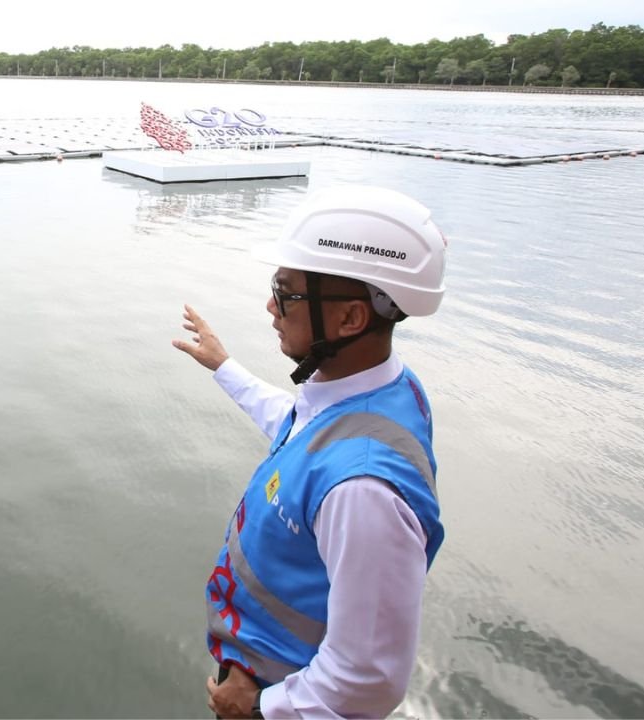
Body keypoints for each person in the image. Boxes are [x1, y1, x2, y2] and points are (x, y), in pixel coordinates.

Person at [172, 185, 449, 719]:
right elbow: (301, 427)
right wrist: (224, 367)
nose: (271, 306)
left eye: (289, 292)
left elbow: (369, 678)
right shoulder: (380, 390)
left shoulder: (363, 492)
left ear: (349, 320)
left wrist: (259, 707)